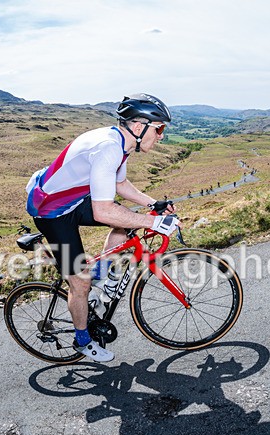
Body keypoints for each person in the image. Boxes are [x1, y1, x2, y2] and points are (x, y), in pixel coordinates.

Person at [25, 93, 180, 362]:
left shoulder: (121, 143)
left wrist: (153, 203)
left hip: (72, 201)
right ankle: (82, 341)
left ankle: (101, 274)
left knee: (126, 223)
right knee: (80, 283)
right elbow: (103, 211)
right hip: (51, 211)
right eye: (159, 129)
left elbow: (120, 184)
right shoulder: (108, 148)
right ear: (139, 126)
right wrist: (154, 221)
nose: (162, 136)